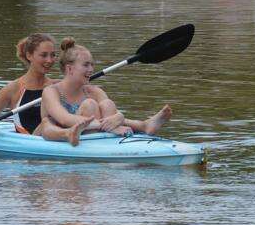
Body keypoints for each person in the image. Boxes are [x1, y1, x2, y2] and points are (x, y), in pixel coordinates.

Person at [38, 37, 173, 146]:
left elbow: (113, 113)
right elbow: (64, 119)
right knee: (90, 104)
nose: (91, 69)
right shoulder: (51, 92)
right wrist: (106, 125)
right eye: (86, 65)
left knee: (107, 104)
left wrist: (119, 117)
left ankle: (143, 126)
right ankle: (137, 127)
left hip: (99, 136)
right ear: (69, 69)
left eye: (92, 64)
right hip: (64, 135)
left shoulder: (94, 91)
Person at [0, 33, 59, 134]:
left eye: (53, 55)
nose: (49, 60)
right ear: (29, 55)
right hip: (27, 140)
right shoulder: (13, 89)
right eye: (44, 55)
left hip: (54, 137)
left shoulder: (58, 86)